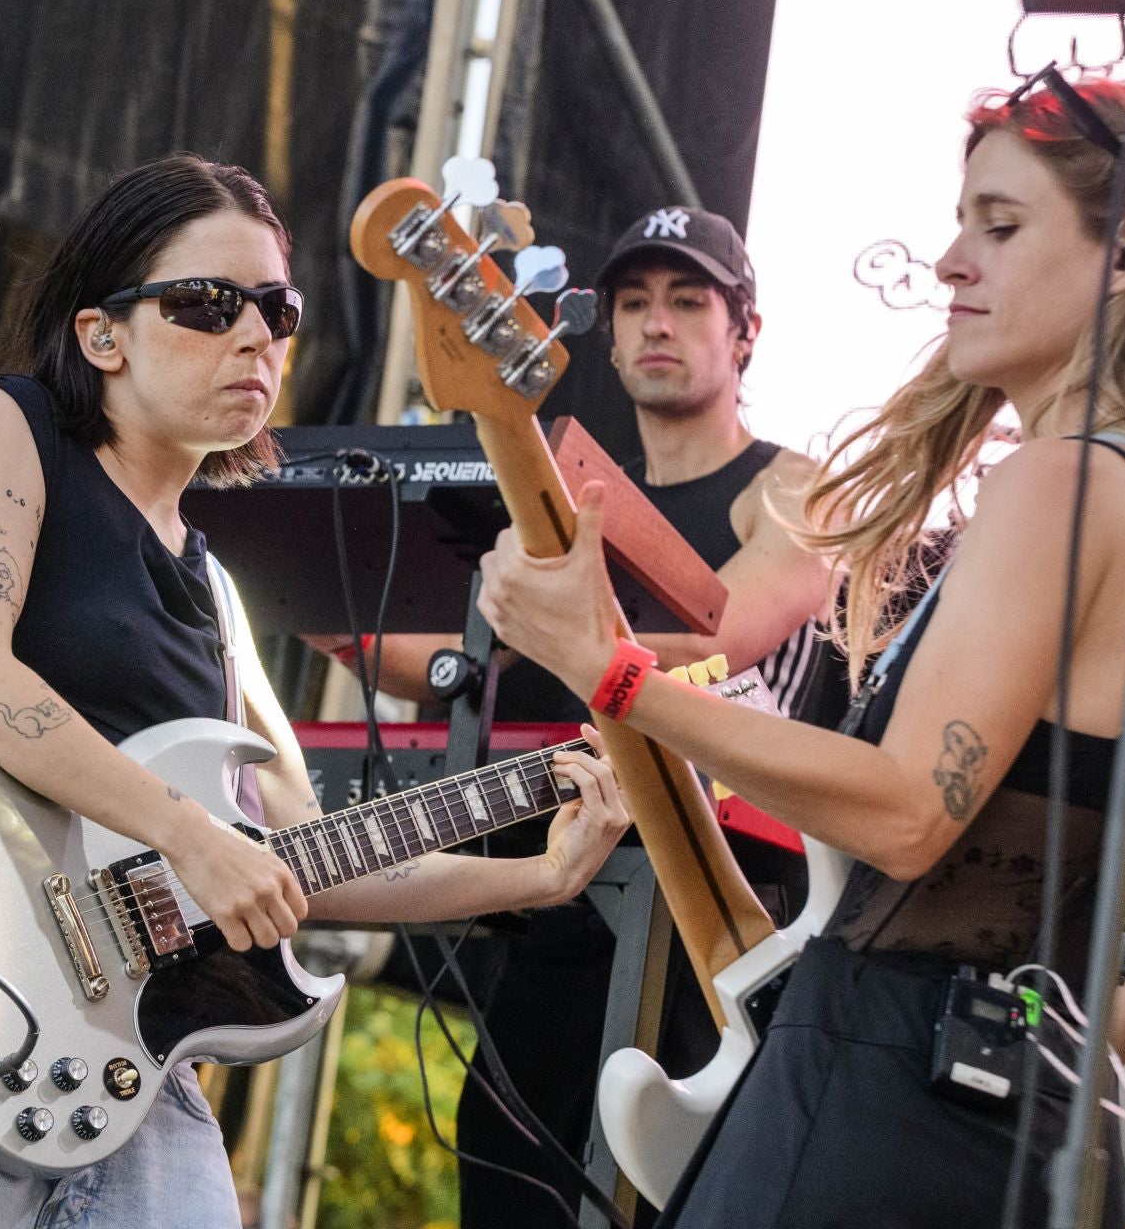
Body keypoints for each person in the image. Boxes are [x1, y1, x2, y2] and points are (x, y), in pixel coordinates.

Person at [476, 77, 1125, 1227]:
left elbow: (905, 812)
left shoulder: (1062, 481)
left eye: (998, 226)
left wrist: (612, 671)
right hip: (1012, 1141)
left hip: (863, 1108)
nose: (951, 261)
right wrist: (1038, 1054)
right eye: (959, 223)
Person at [0, 154, 630, 1229]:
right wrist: (188, 831)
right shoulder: (20, 426)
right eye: (205, 303)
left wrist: (538, 878)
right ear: (103, 334)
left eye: (277, 310)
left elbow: (303, 857)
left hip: (145, 1073)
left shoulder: (220, 599)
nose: (254, 337)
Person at [330, 207, 835, 1228]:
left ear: (746, 332)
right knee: (505, 1156)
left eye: (689, 300)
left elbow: (713, 640)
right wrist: (304, 574)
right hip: (571, 877)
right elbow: (437, 670)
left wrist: (560, 625)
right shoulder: (566, 494)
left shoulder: (790, 484)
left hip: (723, 908)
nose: (657, 322)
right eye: (634, 302)